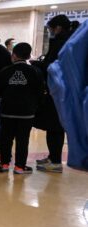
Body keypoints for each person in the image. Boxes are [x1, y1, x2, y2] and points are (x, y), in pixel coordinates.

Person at [0, 43, 43, 174]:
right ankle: (19, 167)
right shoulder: (35, 71)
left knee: (6, 138)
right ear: (28, 56)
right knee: (23, 139)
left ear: (14, 55)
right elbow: (40, 92)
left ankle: (4, 164)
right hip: (26, 113)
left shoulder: (5, 71)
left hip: (7, 111)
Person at [34, 14, 73, 173]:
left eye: (50, 29)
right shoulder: (71, 42)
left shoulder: (60, 43)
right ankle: (53, 157)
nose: (50, 32)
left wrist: (37, 64)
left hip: (57, 91)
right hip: (64, 91)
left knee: (54, 126)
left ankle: (55, 161)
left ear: (58, 28)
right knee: (55, 126)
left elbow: (52, 66)